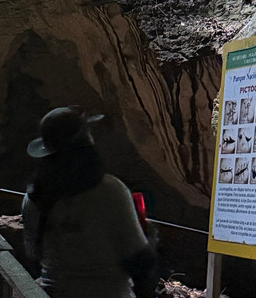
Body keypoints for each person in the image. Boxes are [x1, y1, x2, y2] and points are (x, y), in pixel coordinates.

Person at [22, 107, 156, 298]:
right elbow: (139, 261)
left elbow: (34, 253)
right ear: (85, 143)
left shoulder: (33, 197)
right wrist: (149, 237)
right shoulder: (110, 190)